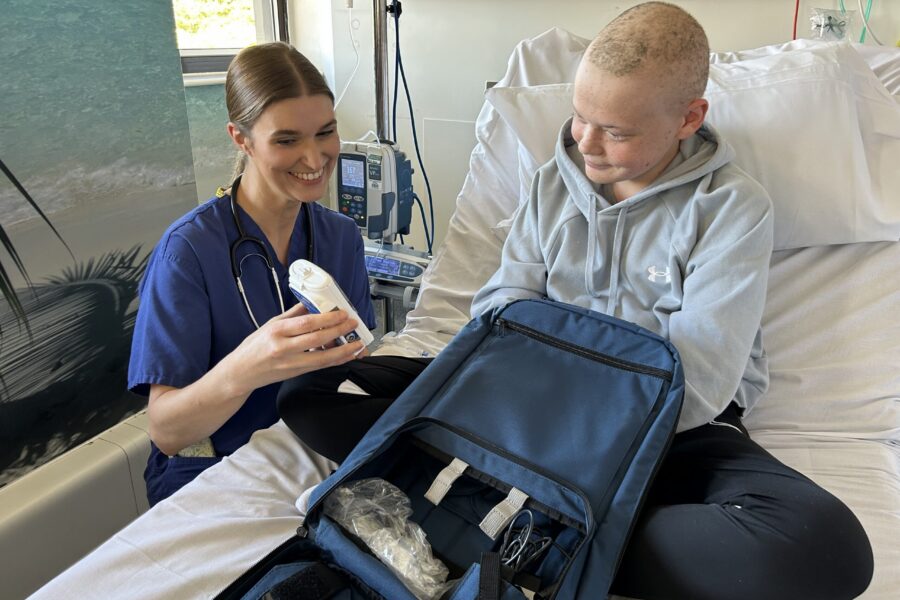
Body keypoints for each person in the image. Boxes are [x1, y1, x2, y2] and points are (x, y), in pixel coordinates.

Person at [278, 4, 873, 598]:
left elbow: (699, 383)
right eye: (580, 117)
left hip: (663, 432)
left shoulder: (730, 210)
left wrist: (549, 384)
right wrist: (524, 391)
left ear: (689, 118)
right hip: (522, 405)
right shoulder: (551, 182)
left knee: (827, 548)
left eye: (616, 131)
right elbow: (499, 309)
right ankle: (564, 519)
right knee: (309, 395)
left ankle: (545, 522)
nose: (585, 143)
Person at [128, 42, 376, 506]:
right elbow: (166, 431)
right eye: (286, 140)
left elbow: (353, 359)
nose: (314, 157)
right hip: (211, 471)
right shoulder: (188, 252)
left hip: (308, 457)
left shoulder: (339, 237)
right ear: (240, 138)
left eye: (325, 132)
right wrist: (247, 368)